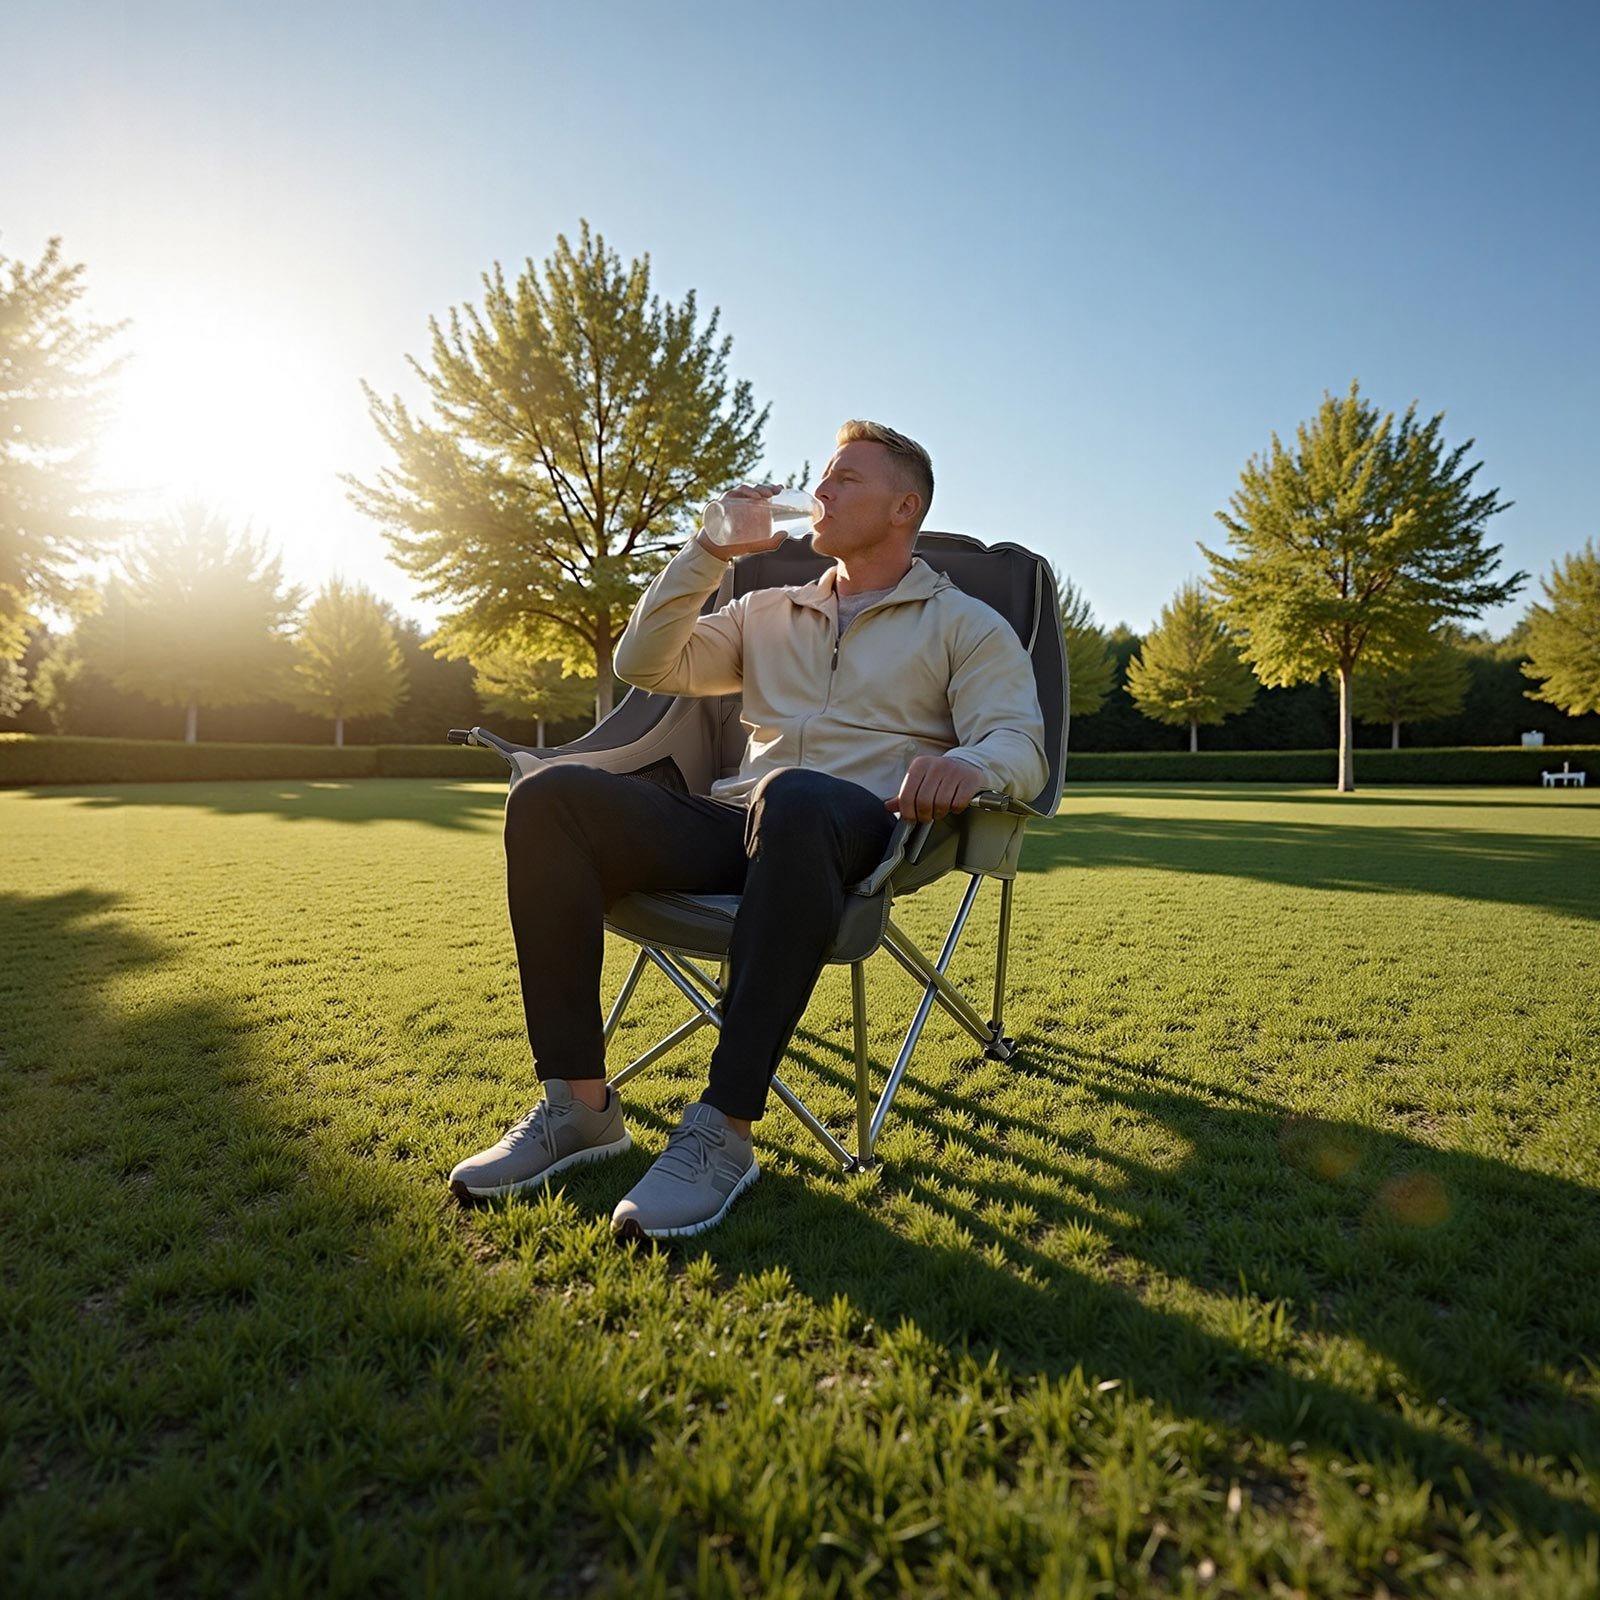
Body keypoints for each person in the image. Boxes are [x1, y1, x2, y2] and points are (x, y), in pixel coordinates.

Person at [449, 420, 1048, 1240]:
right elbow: (644, 666)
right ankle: (579, 1108)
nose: (820, 492)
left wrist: (974, 768)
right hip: (739, 826)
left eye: (845, 480)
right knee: (551, 799)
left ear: (904, 506)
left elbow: (1019, 742)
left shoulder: (965, 626)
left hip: (861, 833)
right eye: (823, 478)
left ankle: (723, 1129)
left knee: (798, 796)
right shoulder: (765, 608)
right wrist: (708, 552)